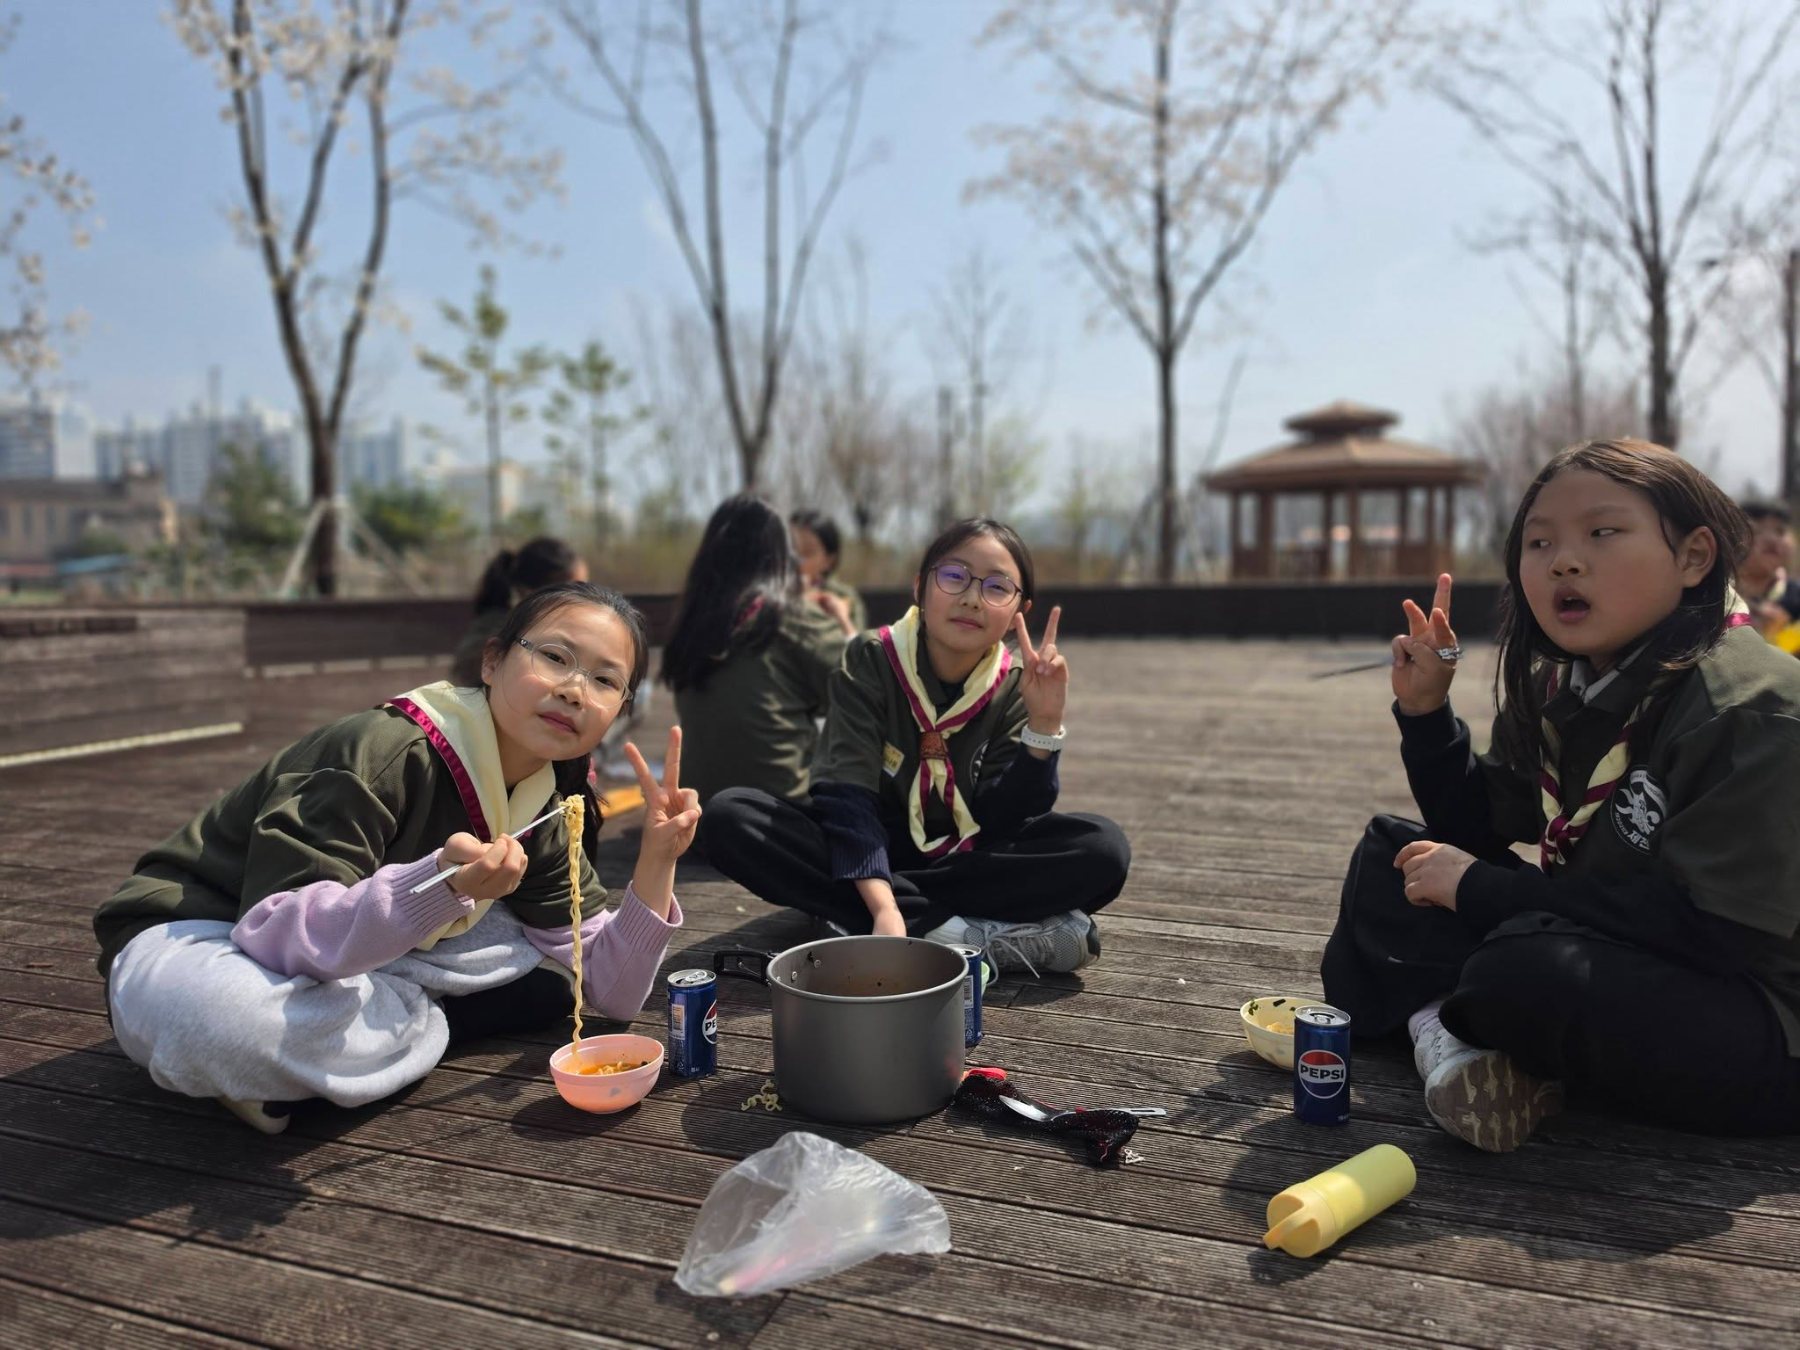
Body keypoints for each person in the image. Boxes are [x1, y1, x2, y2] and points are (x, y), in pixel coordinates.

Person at [1321, 439, 1800, 1152]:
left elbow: (1714, 932)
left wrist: (1484, 891)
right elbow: (1479, 824)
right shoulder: (1565, 684)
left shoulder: (1752, 704)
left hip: (1756, 1008)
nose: (1563, 562)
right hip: (1614, 939)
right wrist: (1425, 714)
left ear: (1694, 557)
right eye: (1539, 542)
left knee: (1526, 974)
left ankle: (1470, 1029)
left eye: (1602, 532)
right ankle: (1447, 1037)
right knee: (1395, 856)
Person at [95, 582, 700, 1134]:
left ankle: (319, 1060)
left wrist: (657, 859)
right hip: (204, 933)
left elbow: (611, 990)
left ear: (619, 710)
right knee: (218, 1023)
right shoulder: (383, 751)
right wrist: (441, 886)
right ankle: (448, 1019)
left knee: (524, 938)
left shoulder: (547, 803)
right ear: (492, 661)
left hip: (345, 955)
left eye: (604, 681)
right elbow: (273, 933)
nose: (573, 689)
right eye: (555, 657)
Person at [701, 517, 1131, 975]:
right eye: (954, 576)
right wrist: (884, 906)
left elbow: (1005, 821)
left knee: (1103, 849)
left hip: (964, 860)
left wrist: (1043, 727)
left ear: (1018, 611)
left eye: (996, 587)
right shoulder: (871, 658)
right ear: (920, 587)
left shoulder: (1016, 684)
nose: (971, 598)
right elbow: (847, 796)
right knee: (731, 817)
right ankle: (957, 935)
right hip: (869, 841)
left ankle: (860, 914)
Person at [662, 496, 849, 804]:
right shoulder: (793, 617)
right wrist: (843, 623)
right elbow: (862, 692)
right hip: (781, 811)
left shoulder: (691, 622)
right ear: (781, 556)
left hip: (698, 810)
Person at [449, 537, 588, 687]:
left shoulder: (528, 628)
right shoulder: (505, 632)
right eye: (575, 589)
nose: (583, 597)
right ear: (539, 590)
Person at [791, 508, 866, 635]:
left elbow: (857, 642)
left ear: (829, 560)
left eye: (807, 552)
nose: (796, 559)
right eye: (790, 549)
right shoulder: (770, 592)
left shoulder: (843, 597)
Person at [1736, 500, 1800, 644]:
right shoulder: (1715, 595)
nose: (1771, 540)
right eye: (1756, 532)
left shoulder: (1796, 599)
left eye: (1780, 531)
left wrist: (1783, 636)